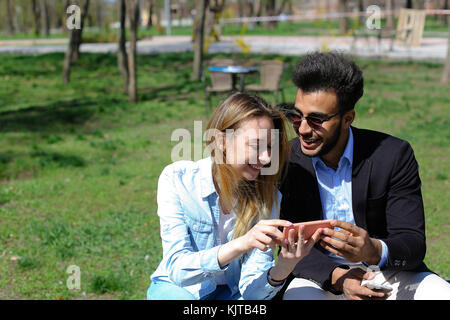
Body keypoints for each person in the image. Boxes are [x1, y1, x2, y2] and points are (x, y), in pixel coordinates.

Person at [278, 51, 450, 300]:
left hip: (385, 272)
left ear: (347, 118)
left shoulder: (393, 154)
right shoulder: (286, 159)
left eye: (316, 120)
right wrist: (338, 277)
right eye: (296, 116)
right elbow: (285, 244)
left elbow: (412, 242)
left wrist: (373, 250)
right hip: (318, 276)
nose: (303, 129)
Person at [147, 92, 322, 300]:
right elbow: (177, 270)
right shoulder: (178, 179)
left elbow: (252, 293)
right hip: (179, 290)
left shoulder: (269, 196)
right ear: (221, 141)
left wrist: (283, 267)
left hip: (232, 293)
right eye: (256, 145)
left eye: (269, 147)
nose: (266, 158)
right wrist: (242, 243)